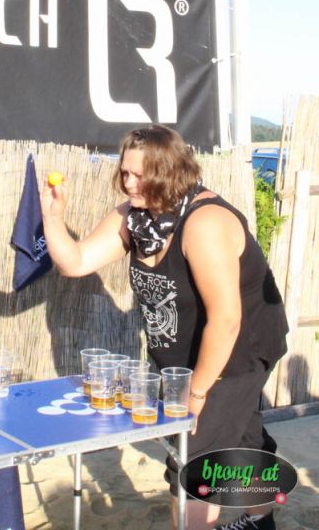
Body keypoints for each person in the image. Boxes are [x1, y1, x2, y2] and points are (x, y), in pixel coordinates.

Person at [39, 125, 288, 530]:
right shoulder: (135, 218)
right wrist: (54, 217)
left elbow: (226, 319)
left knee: (193, 456)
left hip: (239, 348)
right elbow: (76, 262)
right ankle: (260, 520)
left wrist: (197, 392)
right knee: (241, 436)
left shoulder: (204, 223)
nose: (128, 183)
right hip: (185, 353)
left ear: (170, 173)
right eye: (125, 172)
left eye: (140, 175)